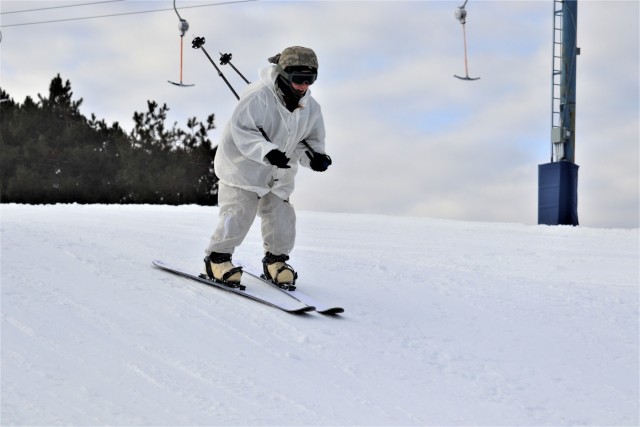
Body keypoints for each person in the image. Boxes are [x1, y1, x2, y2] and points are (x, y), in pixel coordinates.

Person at [203, 46, 332, 287]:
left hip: (279, 172)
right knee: (239, 212)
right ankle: (217, 259)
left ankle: (276, 261)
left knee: (282, 215)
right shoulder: (258, 95)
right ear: (284, 73)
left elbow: (309, 141)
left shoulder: (311, 107)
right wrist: (268, 152)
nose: (304, 85)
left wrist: (316, 157)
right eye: (298, 79)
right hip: (243, 168)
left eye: (310, 79)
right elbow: (243, 131)